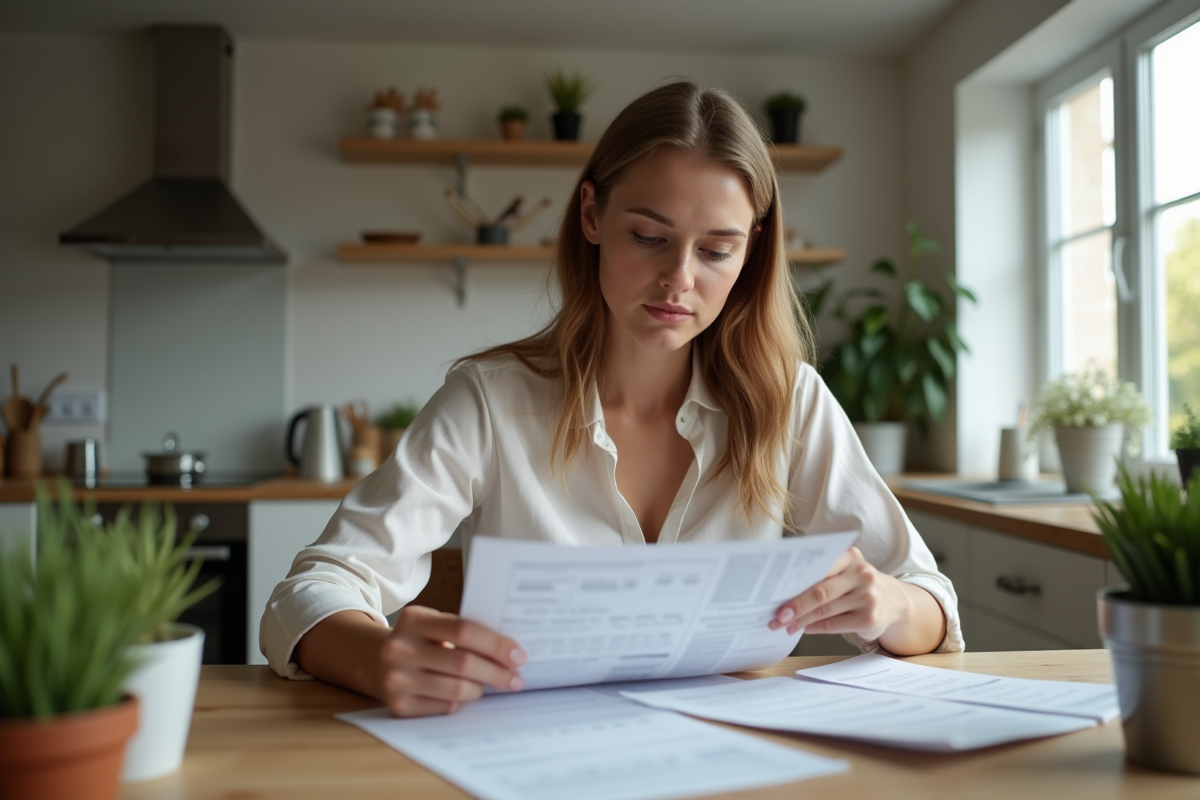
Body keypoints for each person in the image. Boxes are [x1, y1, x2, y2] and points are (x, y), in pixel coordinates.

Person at [262, 80, 964, 718]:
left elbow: (931, 603)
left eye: (716, 251)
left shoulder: (792, 402)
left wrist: (889, 602)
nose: (678, 280)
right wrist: (377, 658)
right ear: (592, 215)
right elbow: (312, 589)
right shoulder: (489, 401)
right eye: (649, 237)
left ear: (750, 249)